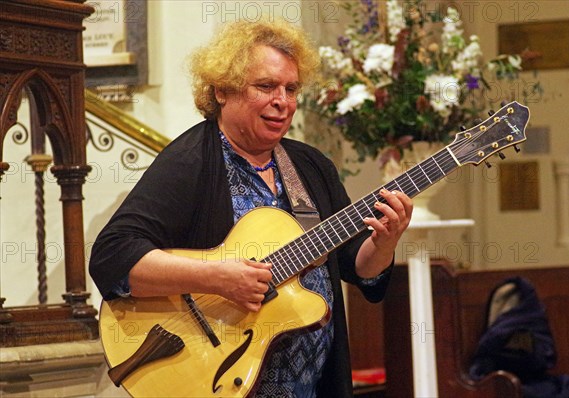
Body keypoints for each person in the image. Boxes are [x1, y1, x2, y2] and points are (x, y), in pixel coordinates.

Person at [89, 18, 413, 398]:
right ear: (223, 90)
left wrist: (385, 243)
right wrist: (219, 279)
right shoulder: (191, 161)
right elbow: (112, 257)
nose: (283, 101)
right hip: (223, 381)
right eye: (265, 86)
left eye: (291, 89)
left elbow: (355, 266)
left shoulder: (311, 166)